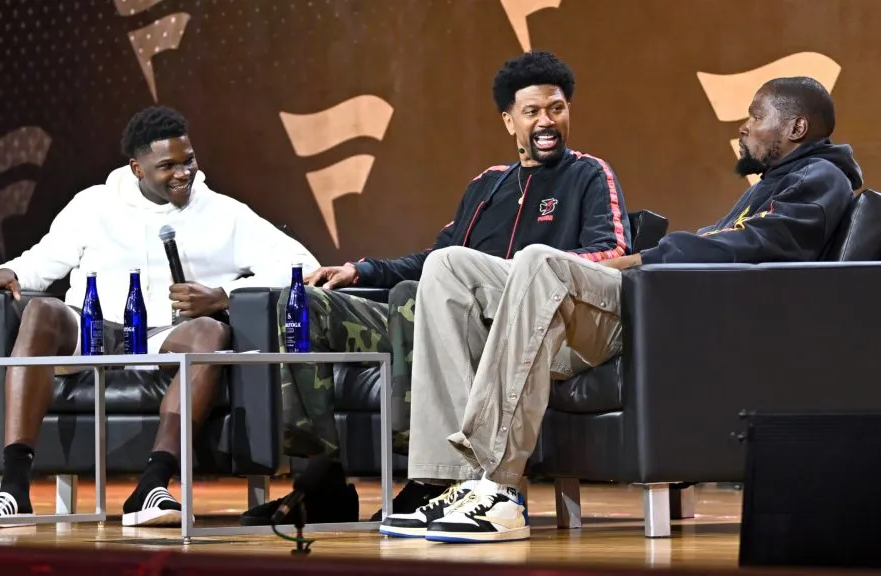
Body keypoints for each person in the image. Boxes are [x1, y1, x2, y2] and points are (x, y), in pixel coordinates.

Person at [382, 76, 860, 543]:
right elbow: (734, 244)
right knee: (448, 267)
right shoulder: (778, 182)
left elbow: (757, 247)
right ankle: (448, 480)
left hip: (659, 315)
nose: (744, 127)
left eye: (756, 116)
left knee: (540, 262)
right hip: (652, 302)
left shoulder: (821, 178)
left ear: (796, 128)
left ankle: (499, 490)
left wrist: (640, 258)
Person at [240, 50, 633, 526]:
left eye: (557, 108)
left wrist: (521, 273)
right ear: (510, 121)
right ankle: (319, 477)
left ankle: (434, 480)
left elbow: (611, 254)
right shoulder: (487, 186)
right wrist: (361, 271)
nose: (547, 121)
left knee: (416, 292)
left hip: (538, 320)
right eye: (532, 112)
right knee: (304, 304)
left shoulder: (588, 174)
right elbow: (435, 259)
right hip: (457, 314)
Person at [0, 106, 320, 527]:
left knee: (209, 333)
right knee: (40, 311)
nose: (183, 173)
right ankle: (13, 488)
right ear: (136, 167)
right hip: (96, 329)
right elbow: (44, 260)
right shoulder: (94, 204)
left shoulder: (223, 212)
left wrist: (224, 296)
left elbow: (302, 263)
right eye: (167, 166)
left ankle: (153, 483)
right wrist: (9, 272)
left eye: (188, 161)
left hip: (167, 336)